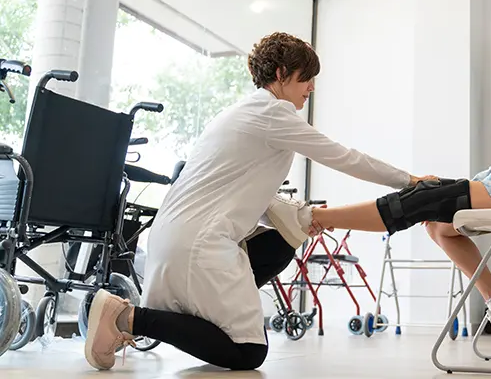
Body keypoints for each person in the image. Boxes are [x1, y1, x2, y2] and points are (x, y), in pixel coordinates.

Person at [272, 0, 491, 364]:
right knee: (437, 224)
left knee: (423, 199)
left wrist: (488, 179)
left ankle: (314, 217)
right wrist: (483, 179)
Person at [82, 32, 433, 371]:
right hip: (197, 245)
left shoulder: (240, 114)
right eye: (306, 78)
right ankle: (126, 316)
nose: (311, 87)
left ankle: (144, 318)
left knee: (283, 242)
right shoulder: (273, 114)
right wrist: (410, 181)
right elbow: (344, 157)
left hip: (177, 237)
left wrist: (303, 216)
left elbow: (248, 194)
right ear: (282, 74)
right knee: (247, 351)